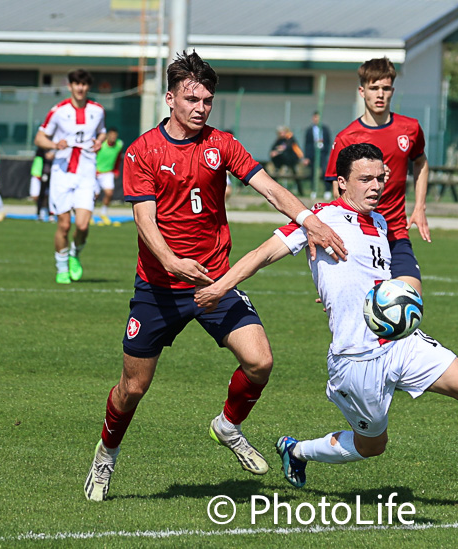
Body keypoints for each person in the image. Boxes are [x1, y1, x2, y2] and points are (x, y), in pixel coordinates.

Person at [83, 51, 348, 502]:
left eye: (207, 99)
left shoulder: (221, 144)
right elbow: (145, 222)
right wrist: (170, 262)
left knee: (260, 361)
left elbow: (267, 187)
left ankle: (227, 425)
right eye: (191, 98)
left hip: (214, 282)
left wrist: (309, 219)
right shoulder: (142, 151)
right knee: (133, 388)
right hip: (159, 287)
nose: (201, 107)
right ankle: (106, 455)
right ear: (170, 98)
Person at [195, 143, 458, 493]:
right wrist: (219, 288)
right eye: (365, 179)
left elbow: (371, 279)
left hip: (399, 343)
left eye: (380, 178)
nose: (376, 186)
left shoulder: (379, 221)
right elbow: (262, 254)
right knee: (372, 445)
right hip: (355, 356)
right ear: (342, 182)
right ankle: (296, 451)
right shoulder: (320, 217)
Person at [326, 57, 431, 297]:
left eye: (385, 88)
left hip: (396, 231)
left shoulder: (410, 128)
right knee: (358, 307)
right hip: (361, 236)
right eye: (374, 88)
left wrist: (420, 206)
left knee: (411, 299)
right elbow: (338, 190)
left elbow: (421, 162)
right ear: (362, 91)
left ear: (392, 90)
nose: (380, 94)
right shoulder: (347, 138)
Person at [35, 69, 106, 285]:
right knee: (64, 226)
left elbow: (101, 132)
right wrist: (55, 144)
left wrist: (99, 141)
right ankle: (61, 267)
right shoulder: (58, 111)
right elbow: (40, 137)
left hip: (86, 173)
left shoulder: (98, 110)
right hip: (62, 173)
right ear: (70, 86)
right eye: (76, 84)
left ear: (87, 87)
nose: (80, 88)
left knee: (83, 225)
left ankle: (74, 254)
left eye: (84, 84)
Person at [94, 126, 124, 225]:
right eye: (111, 135)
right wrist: (94, 170)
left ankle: (103, 213)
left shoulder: (119, 144)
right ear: (107, 135)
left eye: (115, 136)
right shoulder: (101, 145)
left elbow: (118, 157)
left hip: (108, 172)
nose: (113, 137)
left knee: (109, 193)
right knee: (95, 195)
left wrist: (116, 170)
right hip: (96, 173)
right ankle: (89, 214)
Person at [269, 126, 305, 194]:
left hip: (291, 159)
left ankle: (301, 191)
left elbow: (287, 147)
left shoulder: (290, 138)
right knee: (275, 173)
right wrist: (274, 152)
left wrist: (278, 151)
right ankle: (272, 189)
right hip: (282, 161)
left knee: (295, 175)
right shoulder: (279, 140)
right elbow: (273, 148)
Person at [303, 111, 332, 197]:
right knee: (313, 172)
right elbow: (307, 144)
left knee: (324, 171)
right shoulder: (309, 130)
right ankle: (313, 190)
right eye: (315, 117)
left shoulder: (325, 129)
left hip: (322, 153)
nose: (316, 119)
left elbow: (328, 141)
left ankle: (327, 190)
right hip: (313, 153)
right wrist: (307, 156)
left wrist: (325, 150)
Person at [29, 147, 55, 222]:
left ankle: (49, 213)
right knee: (38, 195)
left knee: (49, 195)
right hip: (39, 173)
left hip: (49, 174)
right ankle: (40, 212)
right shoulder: (41, 150)